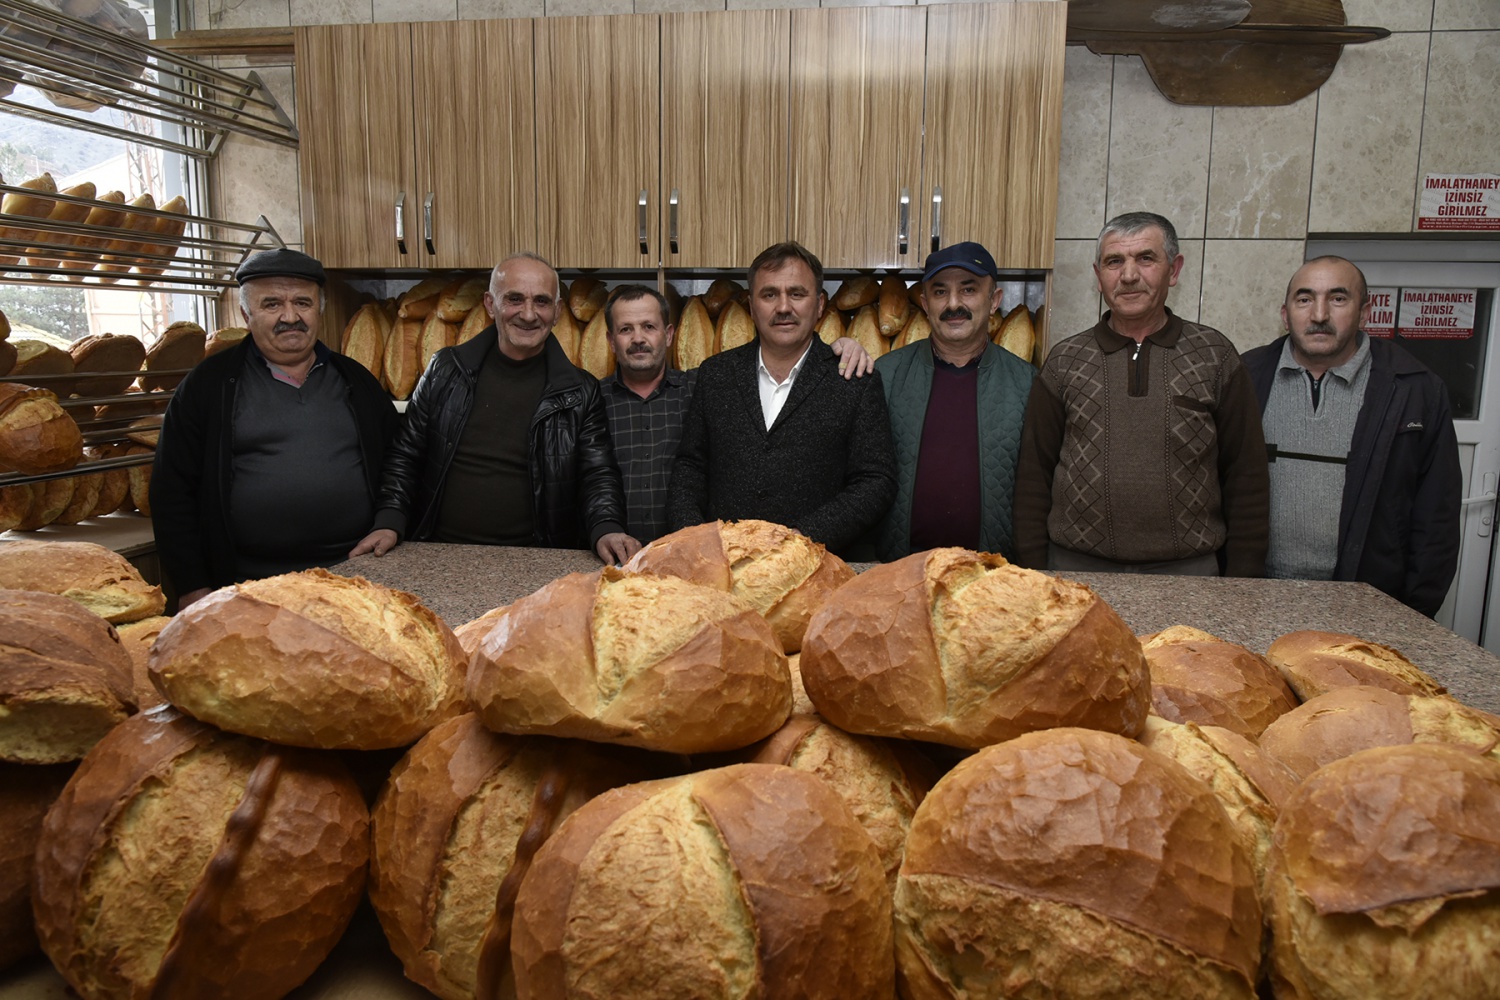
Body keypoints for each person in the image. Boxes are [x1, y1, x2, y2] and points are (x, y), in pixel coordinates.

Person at [1014, 212, 1268, 576]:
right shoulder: (1064, 361)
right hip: (1075, 571)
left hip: (1190, 574)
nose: (1129, 276)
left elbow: (1246, 477)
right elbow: (1033, 476)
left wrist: (1244, 581)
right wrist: (1032, 571)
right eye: (1114, 261)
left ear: (1174, 270)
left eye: (1146, 258)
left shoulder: (1215, 355)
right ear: (1099, 276)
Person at [151, 247, 399, 608]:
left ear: (320, 309)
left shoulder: (356, 380)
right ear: (245, 314)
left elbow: (398, 461)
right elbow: (171, 493)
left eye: (302, 303)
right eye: (272, 304)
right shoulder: (209, 385)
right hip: (245, 584)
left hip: (354, 577)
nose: (290, 316)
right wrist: (192, 587)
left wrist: (390, 520)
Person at [351, 252, 635, 564]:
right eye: (514, 299)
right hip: (439, 552)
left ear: (556, 312)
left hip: (536, 559)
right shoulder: (446, 370)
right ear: (490, 304)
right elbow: (406, 454)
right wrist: (389, 520)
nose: (528, 314)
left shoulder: (581, 391)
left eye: (541, 302)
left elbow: (597, 473)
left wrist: (606, 527)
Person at [1242, 255, 1461, 616]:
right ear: (1285, 314)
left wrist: (1412, 615)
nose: (1319, 315)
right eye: (1304, 299)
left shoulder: (1413, 389)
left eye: (1338, 298)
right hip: (1256, 596)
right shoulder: (1244, 376)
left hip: (1366, 605)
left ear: (1364, 313)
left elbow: (1436, 518)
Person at [666, 241, 896, 557]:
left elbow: (875, 482)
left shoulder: (853, 380)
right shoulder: (715, 374)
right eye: (769, 294)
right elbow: (690, 466)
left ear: (819, 305)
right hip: (724, 565)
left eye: (797, 294)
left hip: (816, 566)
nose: (783, 307)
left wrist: (804, 538)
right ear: (751, 306)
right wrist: (694, 537)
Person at [600, 283, 875, 544]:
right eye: (626, 329)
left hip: (683, 553)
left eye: (649, 327)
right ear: (611, 341)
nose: (638, 338)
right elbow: (592, 478)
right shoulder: (592, 401)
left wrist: (842, 347)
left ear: (669, 335)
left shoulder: (700, 386)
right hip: (618, 550)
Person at [872, 241, 1035, 560]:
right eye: (940, 292)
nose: (953, 303)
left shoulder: (1028, 384)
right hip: (900, 568)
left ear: (994, 301)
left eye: (969, 289)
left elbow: (1036, 496)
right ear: (924, 303)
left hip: (991, 575)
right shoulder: (885, 376)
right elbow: (861, 479)